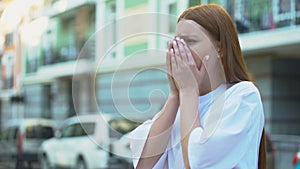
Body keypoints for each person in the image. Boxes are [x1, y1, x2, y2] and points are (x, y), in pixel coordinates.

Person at [129, 4, 266, 169]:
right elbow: (144, 165)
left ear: (220, 47)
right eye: (176, 43)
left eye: (189, 41)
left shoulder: (243, 96)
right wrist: (175, 95)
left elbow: (197, 163)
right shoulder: (181, 105)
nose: (180, 51)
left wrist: (188, 90)